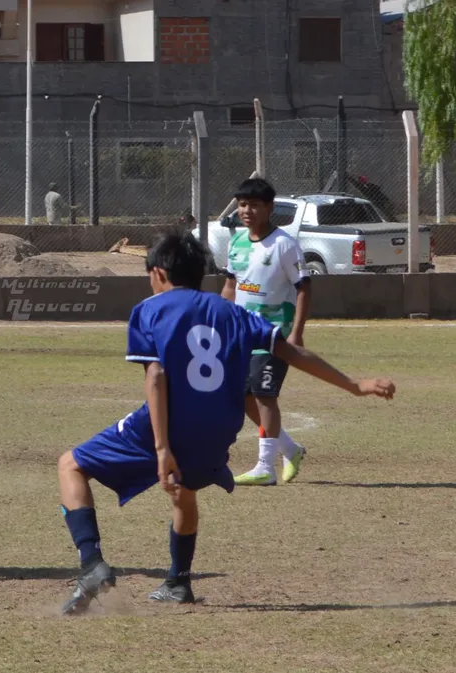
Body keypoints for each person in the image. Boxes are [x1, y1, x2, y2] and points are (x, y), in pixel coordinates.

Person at [57, 229, 394, 615]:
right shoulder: (233, 312)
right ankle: (179, 582)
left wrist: (162, 448)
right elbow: (291, 352)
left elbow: (156, 377)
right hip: (220, 429)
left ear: (159, 273)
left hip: (168, 425)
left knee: (70, 464)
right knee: (183, 491)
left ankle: (91, 564)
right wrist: (356, 385)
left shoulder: (149, 309)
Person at [222, 178, 312, 486]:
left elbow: (304, 289)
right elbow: (230, 286)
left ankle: (265, 467)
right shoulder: (235, 244)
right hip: (241, 336)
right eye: (242, 204)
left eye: (254, 205)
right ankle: (290, 449)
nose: (247, 210)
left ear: (269, 208)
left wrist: (296, 334)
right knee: (245, 398)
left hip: (274, 335)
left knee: (264, 395)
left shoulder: (284, 244)